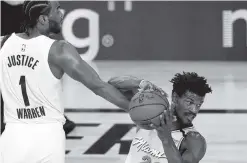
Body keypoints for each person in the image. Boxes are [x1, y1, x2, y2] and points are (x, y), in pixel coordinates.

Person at [0, 1, 159, 163]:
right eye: (57, 10)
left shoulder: (3, 43)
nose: (62, 14)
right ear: (42, 19)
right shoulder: (59, 50)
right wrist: (139, 110)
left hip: (12, 137)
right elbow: (99, 86)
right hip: (46, 138)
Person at [108, 72, 212, 163]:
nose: (194, 110)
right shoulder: (150, 111)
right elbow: (112, 84)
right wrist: (141, 83)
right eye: (190, 102)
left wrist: (166, 139)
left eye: (199, 104)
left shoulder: (194, 140)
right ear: (175, 97)